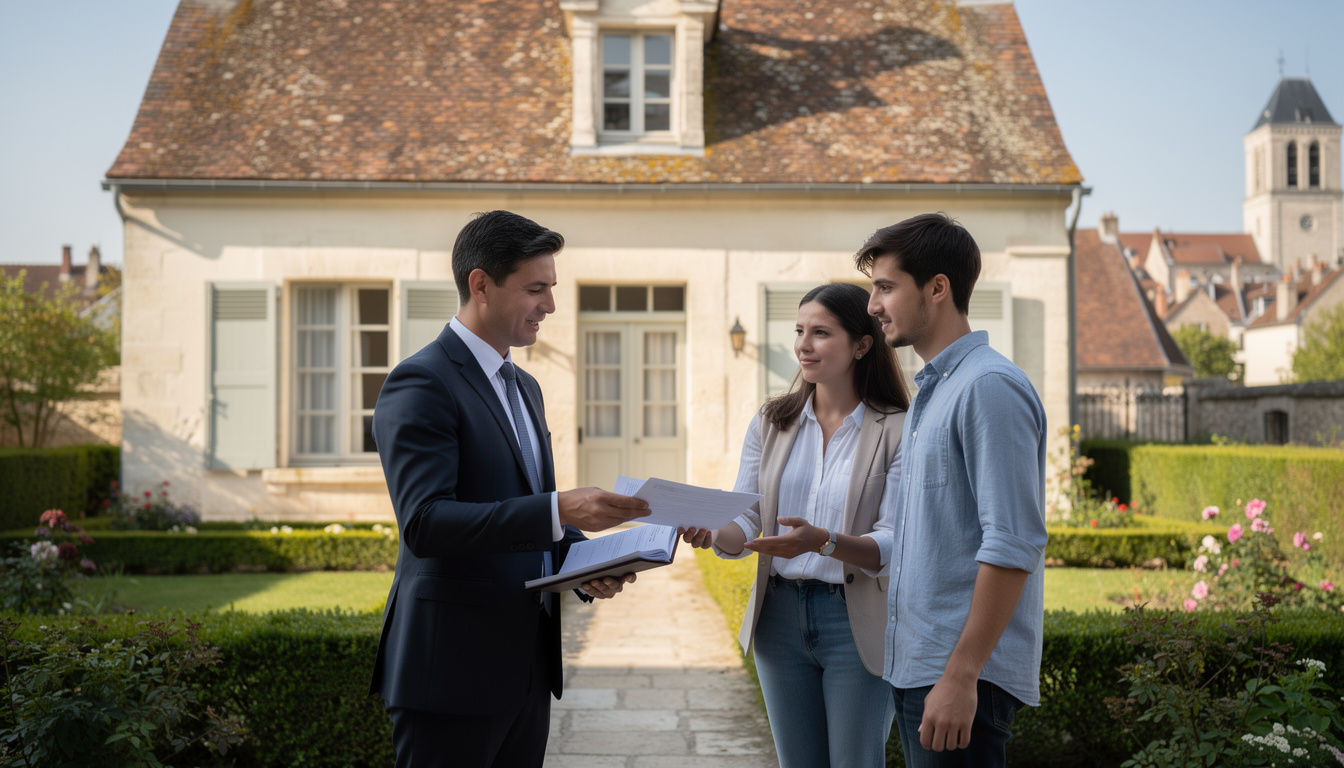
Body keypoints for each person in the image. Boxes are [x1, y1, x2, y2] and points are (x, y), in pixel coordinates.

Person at [370, 210, 651, 768]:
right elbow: (426, 523)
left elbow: (524, 514)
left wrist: (582, 562)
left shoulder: (525, 385)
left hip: (526, 671)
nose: (549, 305)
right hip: (450, 671)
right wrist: (557, 507)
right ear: (481, 285)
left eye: (551, 288)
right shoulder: (421, 380)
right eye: (536, 288)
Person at [682, 282, 910, 768]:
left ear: (861, 345)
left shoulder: (896, 428)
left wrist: (823, 542)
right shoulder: (771, 422)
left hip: (855, 620)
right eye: (800, 330)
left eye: (821, 333)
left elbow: (894, 542)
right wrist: (710, 529)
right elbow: (747, 518)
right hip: (779, 620)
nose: (803, 345)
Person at [857, 212, 1048, 767]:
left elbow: (1013, 543)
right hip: (919, 667)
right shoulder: (934, 393)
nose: (873, 306)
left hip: (960, 677)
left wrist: (961, 676)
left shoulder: (987, 388)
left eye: (886, 287)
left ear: (937, 288)